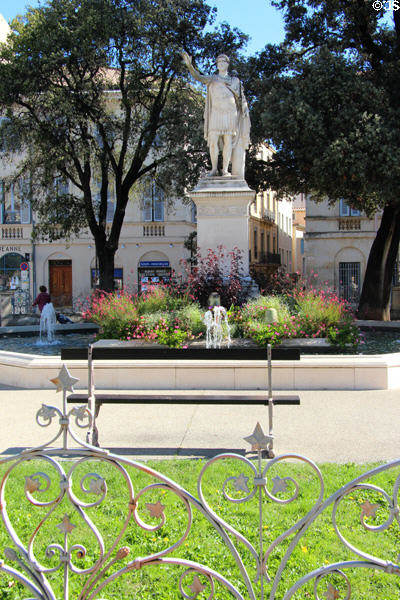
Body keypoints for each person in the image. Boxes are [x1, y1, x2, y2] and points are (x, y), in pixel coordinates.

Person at [182, 51, 250, 179]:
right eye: (219, 62)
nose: (221, 64)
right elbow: (198, 77)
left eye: (223, 61)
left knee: (227, 141)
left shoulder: (234, 81)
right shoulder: (212, 79)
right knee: (213, 141)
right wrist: (189, 66)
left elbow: (242, 98)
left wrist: (245, 108)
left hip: (230, 113)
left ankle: (224, 170)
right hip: (216, 112)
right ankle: (214, 169)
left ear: (227, 64)